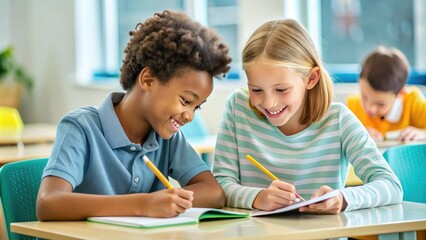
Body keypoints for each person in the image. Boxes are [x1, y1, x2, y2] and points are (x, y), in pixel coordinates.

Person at [36, 10, 232, 221]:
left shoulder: (167, 137)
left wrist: (169, 201)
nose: (190, 116)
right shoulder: (81, 128)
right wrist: (143, 204)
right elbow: (48, 204)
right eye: (186, 101)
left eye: (197, 107)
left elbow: (214, 192)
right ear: (148, 80)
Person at [212, 19, 402, 214]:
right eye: (257, 89)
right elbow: (219, 186)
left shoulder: (339, 120)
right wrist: (258, 198)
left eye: (281, 89)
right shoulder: (238, 108)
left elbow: (390, 185)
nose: (269, 103)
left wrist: (342, 198)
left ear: (311, 78)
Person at [347, 46, 426, 141]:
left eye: (380, 104)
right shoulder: (352, 107)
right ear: (360, 82)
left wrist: (422, 133)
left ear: (400, 93)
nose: (369, 108)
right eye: (364, 97)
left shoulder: (413, 102)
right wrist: (355, 134)